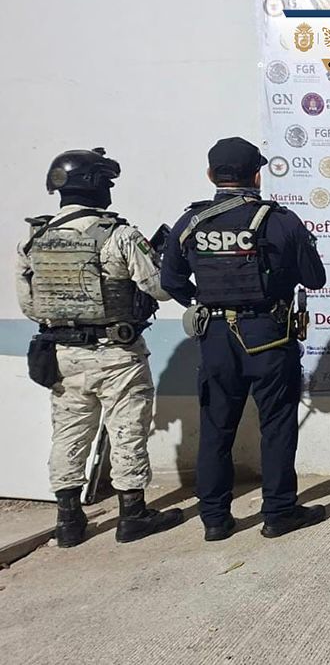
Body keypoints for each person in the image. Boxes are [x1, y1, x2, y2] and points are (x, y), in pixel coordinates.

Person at [161, 137, 327, 540]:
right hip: (269, 336)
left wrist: (205, 300)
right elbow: (315, 278)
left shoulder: (191, 222)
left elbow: (170, 281)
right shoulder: (280, 220)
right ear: (257, 176)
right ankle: (278, 513)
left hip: (216, 337)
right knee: (277, 425)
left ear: (210, 175)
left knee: (216, 428)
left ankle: (215, 519)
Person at [18, 148, 182, 547]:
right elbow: (159, 288)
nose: (110, 190)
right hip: (117, 354)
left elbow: (29, 305)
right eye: (107, 182)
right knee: (127, 431)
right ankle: (133, 516)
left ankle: (68, 521)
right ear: (94, 186)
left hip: (62, 355)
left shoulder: (35, 237)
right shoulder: (119, 235)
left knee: (69, 434)